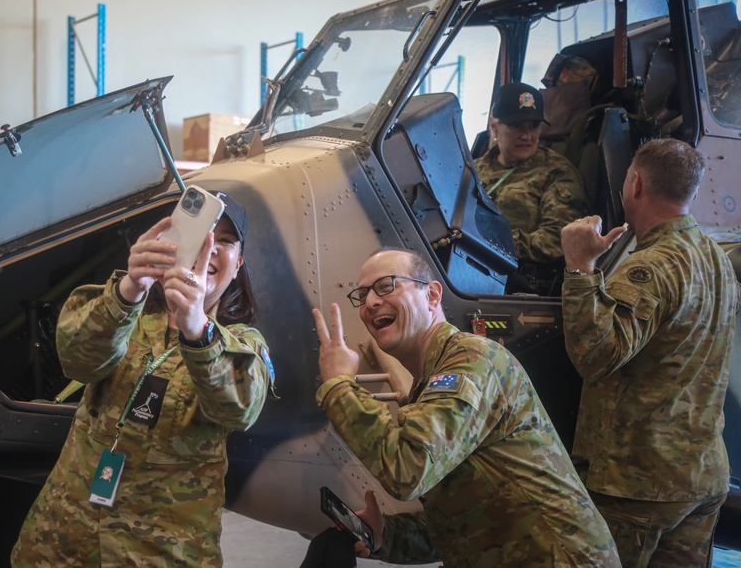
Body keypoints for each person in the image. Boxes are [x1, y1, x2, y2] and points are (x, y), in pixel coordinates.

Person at [309, 248, 619, 567]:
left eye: (386, 286)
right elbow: (460, 527)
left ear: (431, 295)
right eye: (363, 294)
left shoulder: (471, 361)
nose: (371, 302)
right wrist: (387, 535)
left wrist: (339, 387)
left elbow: (407, 471)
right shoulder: (429, 386)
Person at [11, 191, 273, 568]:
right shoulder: (121, 311)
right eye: (199, 233)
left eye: (225, 241)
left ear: (238, 264)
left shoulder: (243, 345)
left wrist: (197, 328)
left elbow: (239, 409)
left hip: (160, 552)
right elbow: (77, 362)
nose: (208, 247)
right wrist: (129, 288)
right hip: (63, 541)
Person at [560, 138, 740, 567]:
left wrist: (580, 268)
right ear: (693, 193)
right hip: (701, 475)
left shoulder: (651, 267)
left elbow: (595, 355)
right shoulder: (716, 259)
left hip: (637, 485)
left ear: (635, 184)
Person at [476, 82, 589, 293]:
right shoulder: (472, 170)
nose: (527, 136)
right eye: (517, 126)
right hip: (466, 273)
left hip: (522, 285)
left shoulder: (556, 171)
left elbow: (559, 239)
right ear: (494, 127)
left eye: (534, 126)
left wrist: (492, 244)